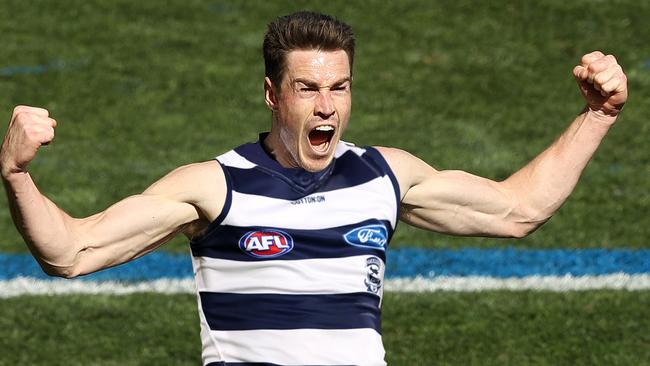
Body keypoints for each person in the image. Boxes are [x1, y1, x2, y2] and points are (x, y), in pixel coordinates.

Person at [0, 11, 627, 366]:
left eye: (340, 87)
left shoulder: (385, 175)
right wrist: (17, 174)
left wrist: (598, 116)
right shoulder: (215, 187)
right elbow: (71, 253)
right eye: (308, 88)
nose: (327, 107)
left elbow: (520, 209)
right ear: (274, 94)